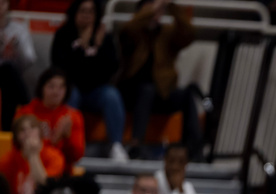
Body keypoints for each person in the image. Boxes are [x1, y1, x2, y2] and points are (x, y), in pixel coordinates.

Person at [118, 0, 201, 158]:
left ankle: (194, 150)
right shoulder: (133, 33)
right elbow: (128, 29)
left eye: (157, 12)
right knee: (146, 90)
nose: (154, 15)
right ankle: (136, 145)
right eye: (149, 11)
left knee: (187, 94)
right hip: (131, 93)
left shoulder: (167, 34)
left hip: (161, 93)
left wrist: (172, 7)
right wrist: (153, 7)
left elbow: (189, 34)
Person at [51, 0, 129, 161]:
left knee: (111, 95)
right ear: (74, 13)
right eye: (83, 11)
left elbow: (110, 69)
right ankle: (69, 144)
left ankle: (116, 146)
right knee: (70, 94)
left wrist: (97, 47)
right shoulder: (63, 35)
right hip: (72, 89)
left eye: (91, 11)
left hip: (96, 90)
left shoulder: (104, 37)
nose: (87, 15)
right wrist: (82, 47)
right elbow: (62, 69)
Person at [1, 115, 65, 194]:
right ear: (16, 136)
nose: (28, 133)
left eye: (32, 128)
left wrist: (33, 155)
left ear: (40, 132)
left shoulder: (54, 156)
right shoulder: (8, 160)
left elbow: (46, 185)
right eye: (22, 130)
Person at [15, 68, 87, 168]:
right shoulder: (26, 113)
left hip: (62, 173)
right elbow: (19, 146)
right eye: (51, 86)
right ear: (42, 87)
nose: (56, 92)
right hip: (28, 167)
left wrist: (67, 139)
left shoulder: (73, 116)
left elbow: (77, 156)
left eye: (61, 87)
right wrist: (54, 140)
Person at [0, 0, 34, 131]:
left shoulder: (19, 28)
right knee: (8, 71)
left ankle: (7, 131)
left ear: (8, 5)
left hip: (12, 76)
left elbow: (29, 59)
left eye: (2, 2)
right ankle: (28, 108)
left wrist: (17, 49)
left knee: (9, 72)